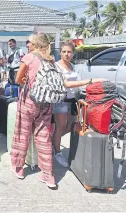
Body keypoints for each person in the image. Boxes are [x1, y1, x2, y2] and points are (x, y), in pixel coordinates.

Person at [11, 32, 105, 189]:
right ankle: (48, 176)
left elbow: (17, 79)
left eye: (30, 41)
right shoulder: (51, 60)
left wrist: (28, 80)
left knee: (22, 134)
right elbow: (63, 84)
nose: (29, 44)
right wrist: (91, 80)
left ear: (35, 43)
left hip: (29, 101)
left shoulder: (29, 57)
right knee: (43, 138)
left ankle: (19, 168)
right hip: (46, 103)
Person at [52, 40, 79, 168]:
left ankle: (51, 141)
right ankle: (57, 152)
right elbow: (64, 84)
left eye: (69, 52)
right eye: (64, 52)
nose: (67, 54)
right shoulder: (56, 67)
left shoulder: (73, 66)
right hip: (61, 100)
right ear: (60, 53)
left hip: (73, 100)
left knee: (71, 126)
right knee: (60, 127)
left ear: (73, 53)